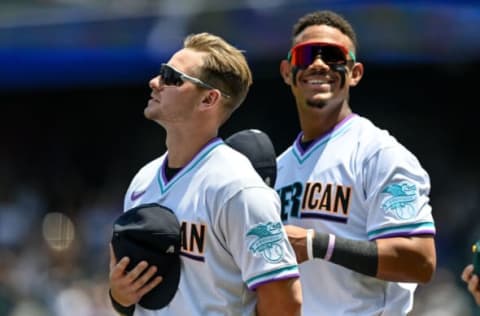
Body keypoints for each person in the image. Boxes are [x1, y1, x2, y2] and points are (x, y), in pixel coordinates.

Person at [108, 32, 302, 316]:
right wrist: (119, 296)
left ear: (208, 99)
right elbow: (134, 298)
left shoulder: (238, 188)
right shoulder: (143, 180)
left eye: (171, 77)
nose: (155, 82)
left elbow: (286, 303)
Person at [275, 10, 436, 315]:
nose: (319, 64)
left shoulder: (379, 154)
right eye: (306, 54)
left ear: (355, 73)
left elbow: (421, 262)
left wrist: (317, 244)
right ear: (287, 71)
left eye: (333, 56)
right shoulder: (280, 169)